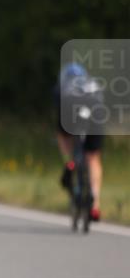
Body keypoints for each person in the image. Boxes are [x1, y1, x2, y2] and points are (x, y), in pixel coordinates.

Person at [55, 62, 104, 221]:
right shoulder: (93, 83)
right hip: (95, 111)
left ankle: (69, 163)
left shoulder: (62, 86)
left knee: (63, 135)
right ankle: (95, 205)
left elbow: (59, 108)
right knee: (93, 157)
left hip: (71, 110)